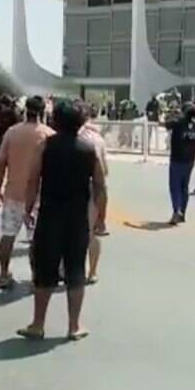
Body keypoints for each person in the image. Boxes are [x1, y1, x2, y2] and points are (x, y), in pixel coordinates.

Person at [16, 100, 106, 341]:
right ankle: (74, 326)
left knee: (45, 271)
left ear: (54, 120)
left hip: (50, 215)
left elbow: (33, 180)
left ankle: (38, 324)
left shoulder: (44, 146)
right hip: (77, 218)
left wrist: (28, 208)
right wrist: (101, 217)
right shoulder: (89, 149)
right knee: (76, 270)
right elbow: (100, 186)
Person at [0, 96, 55, 290]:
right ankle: (36, 276)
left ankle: (3, 274)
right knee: (37, 240)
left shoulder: (12, 133)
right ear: (44, 112)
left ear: (24, 111)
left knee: (8, 235)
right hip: (38, 197)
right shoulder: (49, 135)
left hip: (13, 193)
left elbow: (1, 163)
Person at [79, 105, 109, 285]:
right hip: (94, 188)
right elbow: (105, 171)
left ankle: (66, 269)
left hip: (73, 189)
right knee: (92, 233)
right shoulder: (98, 139)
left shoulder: (71, 137)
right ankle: (92, 272)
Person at [165, 102, 195, 225]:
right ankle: (183, 213)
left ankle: (176, 211)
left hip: (177, 159)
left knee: (175, 186)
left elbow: (165, 123)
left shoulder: (178, 123)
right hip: (190, 160)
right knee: (184, 187)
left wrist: (172, 113)